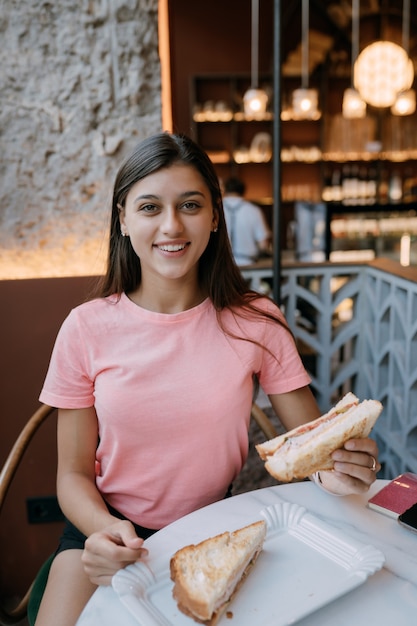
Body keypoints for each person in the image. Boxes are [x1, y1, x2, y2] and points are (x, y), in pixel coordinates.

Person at [35, 132, 380, 626]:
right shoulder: (85, 327)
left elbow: (314, 457)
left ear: (215, 215)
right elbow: (71, 474)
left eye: (190, 205)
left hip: (216, 529)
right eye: (150, 207)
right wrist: (105, 530)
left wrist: (345, 469)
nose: (171, 225)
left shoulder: (258, 322)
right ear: (123, 218)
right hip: (108, 530)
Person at [222, 176, 272, 265]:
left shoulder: (216, 209)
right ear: (243, 191)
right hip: (248, 265)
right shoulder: (253, 210)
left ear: (225, 190)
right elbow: (263, 244)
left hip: (222, 265)